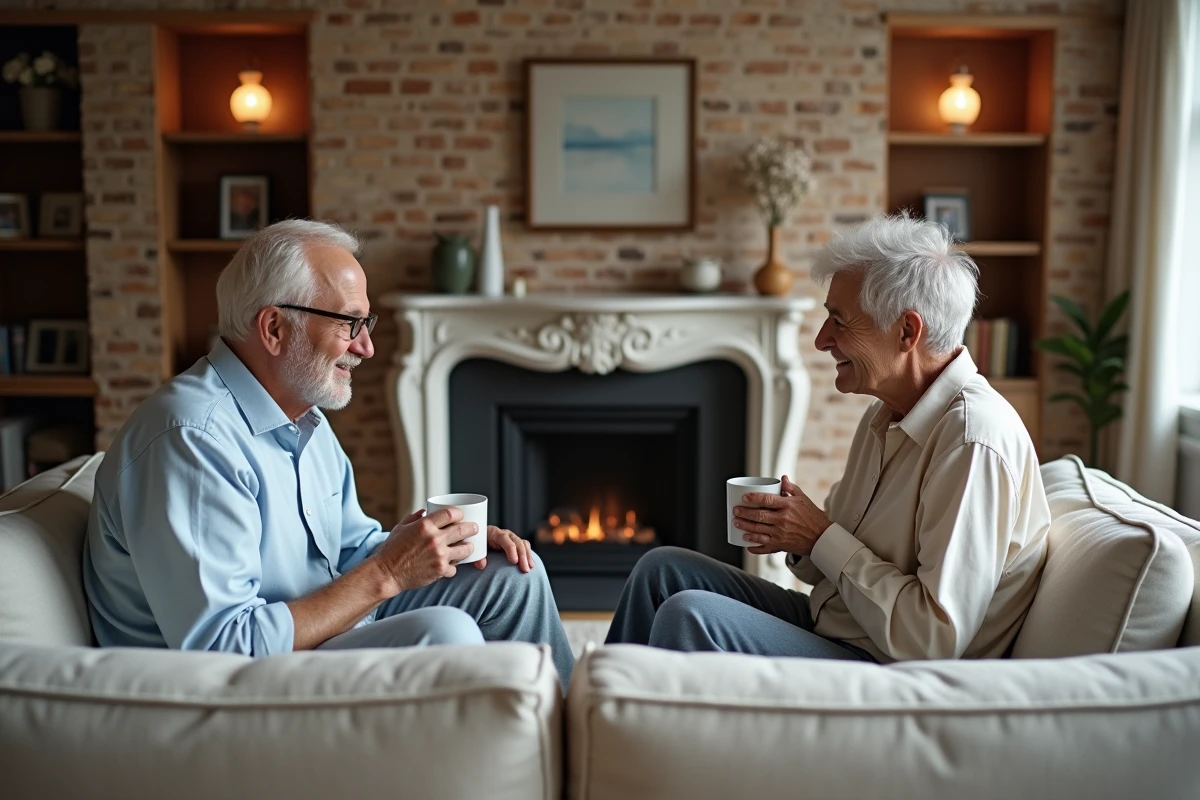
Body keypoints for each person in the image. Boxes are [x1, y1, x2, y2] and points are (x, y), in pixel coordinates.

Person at [83, 219, 575, 687]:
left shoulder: (304, 420)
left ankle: (570, 748)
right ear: (274, 328)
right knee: (446, 636)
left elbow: (347, 551)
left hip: (314, 633)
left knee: (512, 575)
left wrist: (430, 542)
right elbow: (223, 649)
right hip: (233, 686)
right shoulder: (191, 440)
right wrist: (387, 572)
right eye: (349, 324)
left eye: (366, 323)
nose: (366, 348)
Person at [606, 213, 1050, 664]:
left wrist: (819, 535)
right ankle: (602, 716)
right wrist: (796, 534)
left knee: (690, 614)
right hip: (836, 626)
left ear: (907, 331)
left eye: (839, 322)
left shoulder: (971, 441)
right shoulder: (884, 418)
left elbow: (931, 639)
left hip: (886, 666)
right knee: (660, 572)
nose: (821, 340)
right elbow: (834, 563)